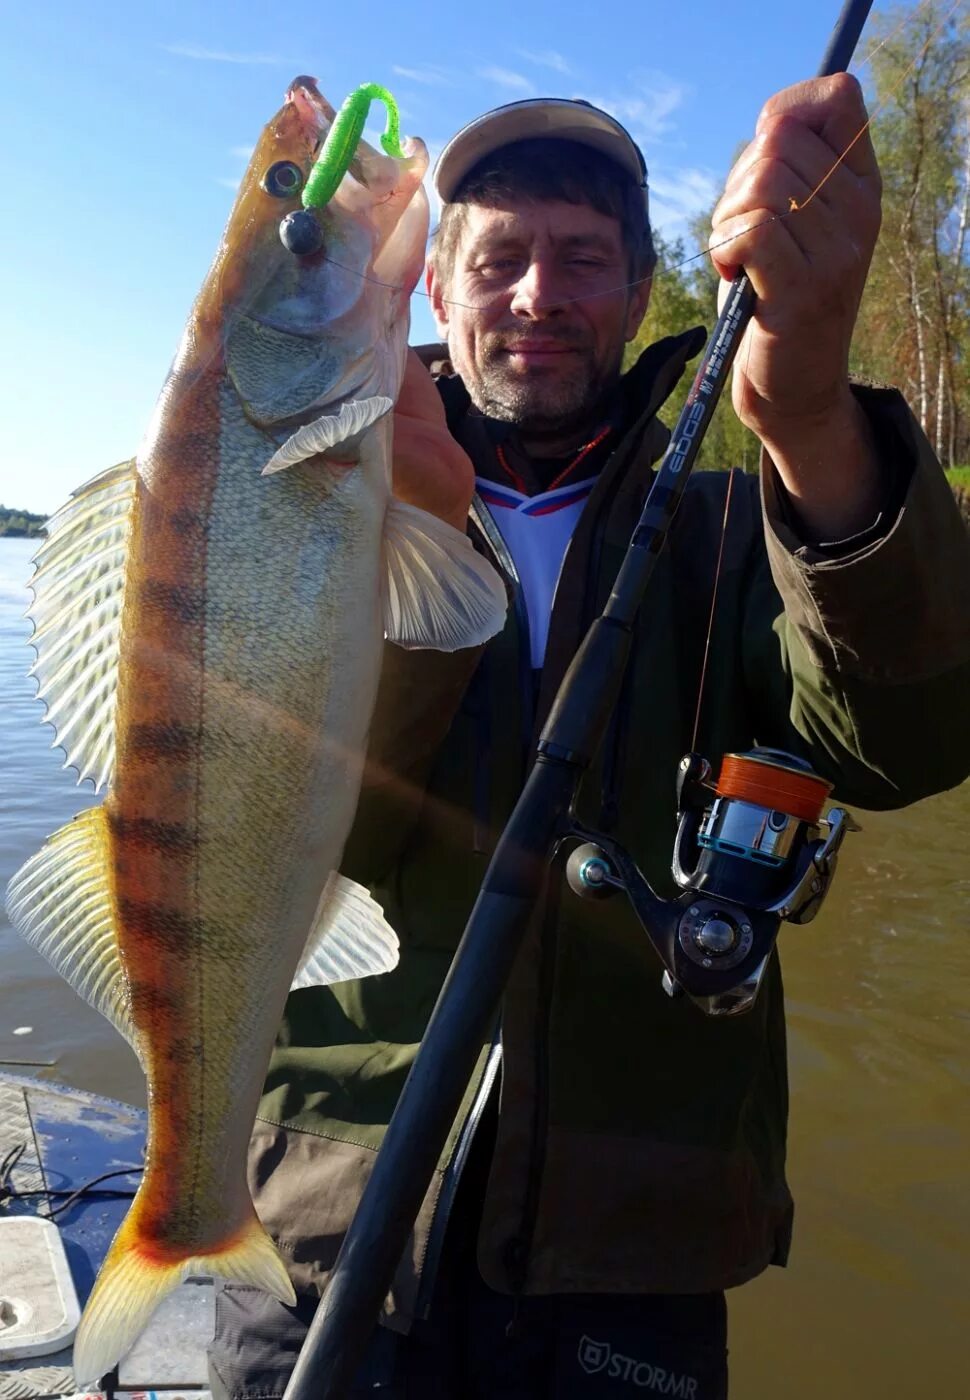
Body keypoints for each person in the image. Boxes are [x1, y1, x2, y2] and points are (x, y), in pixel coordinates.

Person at [207, 77, 970, 1399]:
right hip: (324, 1223)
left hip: (641, 1241)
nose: (538, 294)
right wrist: (425, 536)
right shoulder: (303, 506)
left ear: (636, 296)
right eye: (497, 259)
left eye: (582, 260)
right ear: (433, 292)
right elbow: (295, 827)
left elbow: (913, 739)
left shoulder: (743, 529)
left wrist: (801, 410)